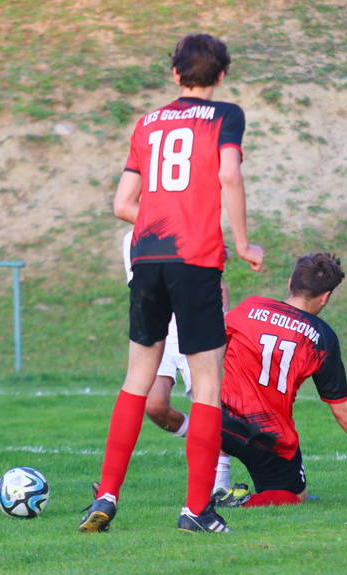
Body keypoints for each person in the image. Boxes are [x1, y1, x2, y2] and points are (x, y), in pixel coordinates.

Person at [80, 33, 264, 534]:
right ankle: (196, 509)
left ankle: (105, 496)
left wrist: (162, 217)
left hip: (147, 255)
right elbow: (228, 176)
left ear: (175, 75)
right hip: (195, 259)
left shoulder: (148, 122)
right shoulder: (227, 116)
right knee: (206, 384)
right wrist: (243, 244)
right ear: (222, 76)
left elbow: (123, 204)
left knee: (137, 377)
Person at [217, 252, 347, 509]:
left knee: (214, 416)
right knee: (294, 498)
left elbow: (212, 350)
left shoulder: (249, 307)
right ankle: (240, 502)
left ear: (290, 284)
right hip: (270, 439)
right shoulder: (321, 337)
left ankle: (214, 487)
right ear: (325, 297)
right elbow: (342, 409)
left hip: (221, 424)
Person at [122, 230, 235, 497]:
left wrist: (222, 319)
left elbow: (215, 284)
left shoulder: (191, 223)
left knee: (206, 400)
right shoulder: (132, 238)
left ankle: (220, 485)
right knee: (154, 405)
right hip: (159, 325)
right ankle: (202, 436)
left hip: (194, 322)